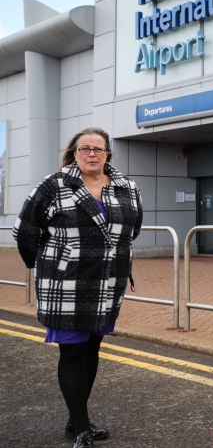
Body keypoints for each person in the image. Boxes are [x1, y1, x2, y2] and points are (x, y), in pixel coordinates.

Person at [14, 127, 143, 448]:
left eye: (98, 149)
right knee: (73, 352)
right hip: (66, 283)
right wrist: (46, 265)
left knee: (92, 350)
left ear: (108, 154)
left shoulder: (127, 187)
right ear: (74, 153)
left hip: (108, 282)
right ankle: (82, 429)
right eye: (84, 149)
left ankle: (76, 419)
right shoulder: (54, 185)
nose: (91, 155)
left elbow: (133, 228)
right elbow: (24, 230)